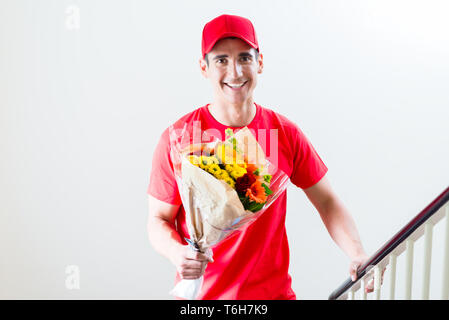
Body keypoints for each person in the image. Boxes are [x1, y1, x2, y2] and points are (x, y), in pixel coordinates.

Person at [147, 14, 374, 299]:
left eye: (244, 58)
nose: (235, 72)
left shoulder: (284, 132)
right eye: (221, 60)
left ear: (260, 63)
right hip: (201, 298)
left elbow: (327, 201)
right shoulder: (179, 137)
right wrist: (176, 252)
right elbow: (157, 219)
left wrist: (357, 253)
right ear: (203, 67)